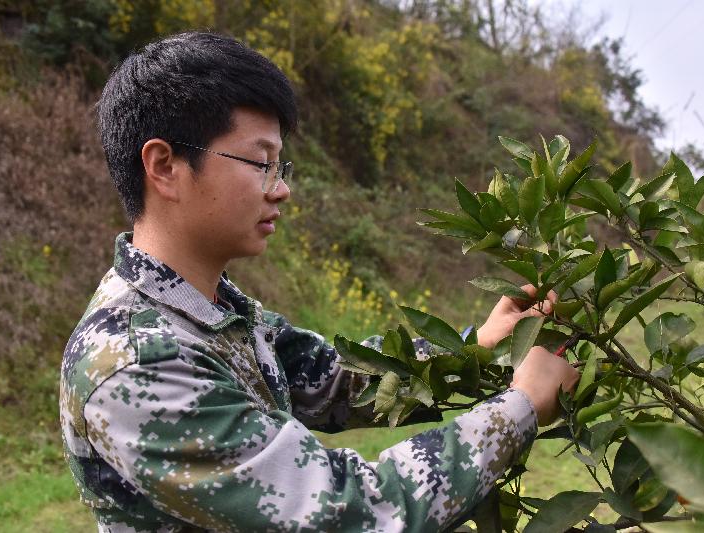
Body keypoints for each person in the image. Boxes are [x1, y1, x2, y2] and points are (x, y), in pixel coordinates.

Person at [60, 30, 580, 532]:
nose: (281, 188)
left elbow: (333, 380)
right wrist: (519, 408)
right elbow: (347, 511)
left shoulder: (212, 310)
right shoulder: (134, 361)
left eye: (278, 164)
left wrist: (476, 350)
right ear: (165, 166)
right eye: (260, 163)